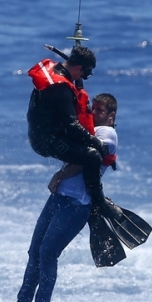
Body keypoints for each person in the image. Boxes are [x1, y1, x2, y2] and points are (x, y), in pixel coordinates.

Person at [0, 94, 119, 302]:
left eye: (101, 111)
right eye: (94, 109)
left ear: (112, 116)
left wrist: (60, 175)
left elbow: (83, 159)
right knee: (34, 251)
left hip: (77, 204)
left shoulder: (108, 135)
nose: (95, 113)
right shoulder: (91, 128)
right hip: (58, 198)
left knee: (47, 253)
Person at [25, 46, 118, 222]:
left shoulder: (53, 70)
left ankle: (88, 192)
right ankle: (98, 202)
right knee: (92, 156)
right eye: (84, 74)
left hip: (40, 133)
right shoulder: (61, 89)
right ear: (78, 68)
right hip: (46, 142)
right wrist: (97, 143)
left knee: (85, 146)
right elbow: (72, 125)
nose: (82, 78)